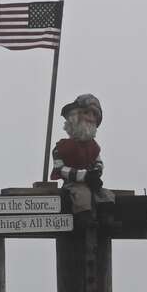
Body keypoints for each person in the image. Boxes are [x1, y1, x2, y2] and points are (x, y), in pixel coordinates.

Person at [50, 93, 115, 227]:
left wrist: (96, 173)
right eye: (86, 113)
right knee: (82, 195)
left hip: (92, 183)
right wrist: (83, 176)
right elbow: (60, 169)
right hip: (73, 184)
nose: (90, 118)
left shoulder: (94, 147)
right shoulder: (61, 147)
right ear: (75, 117)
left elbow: (98, 162)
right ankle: (85, 220)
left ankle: (105, 219)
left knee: (106, 195)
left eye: (94, 115)